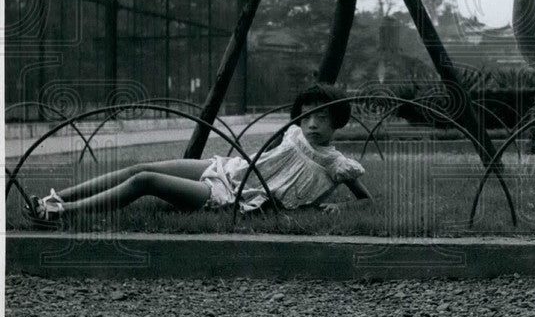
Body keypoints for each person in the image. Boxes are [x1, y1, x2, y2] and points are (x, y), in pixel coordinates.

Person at [25, 83, 370, 227]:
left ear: (337, 121)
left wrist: (340, 207)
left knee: (145, 181)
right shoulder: (293, 133)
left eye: (322, 117)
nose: (312, 124)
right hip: (230, 169)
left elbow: (368, 201)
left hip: (234, 196)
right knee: (140, 165)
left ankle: (62, 214)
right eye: (306, 116)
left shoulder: (338, 165)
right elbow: (267, 160)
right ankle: (57, 197)